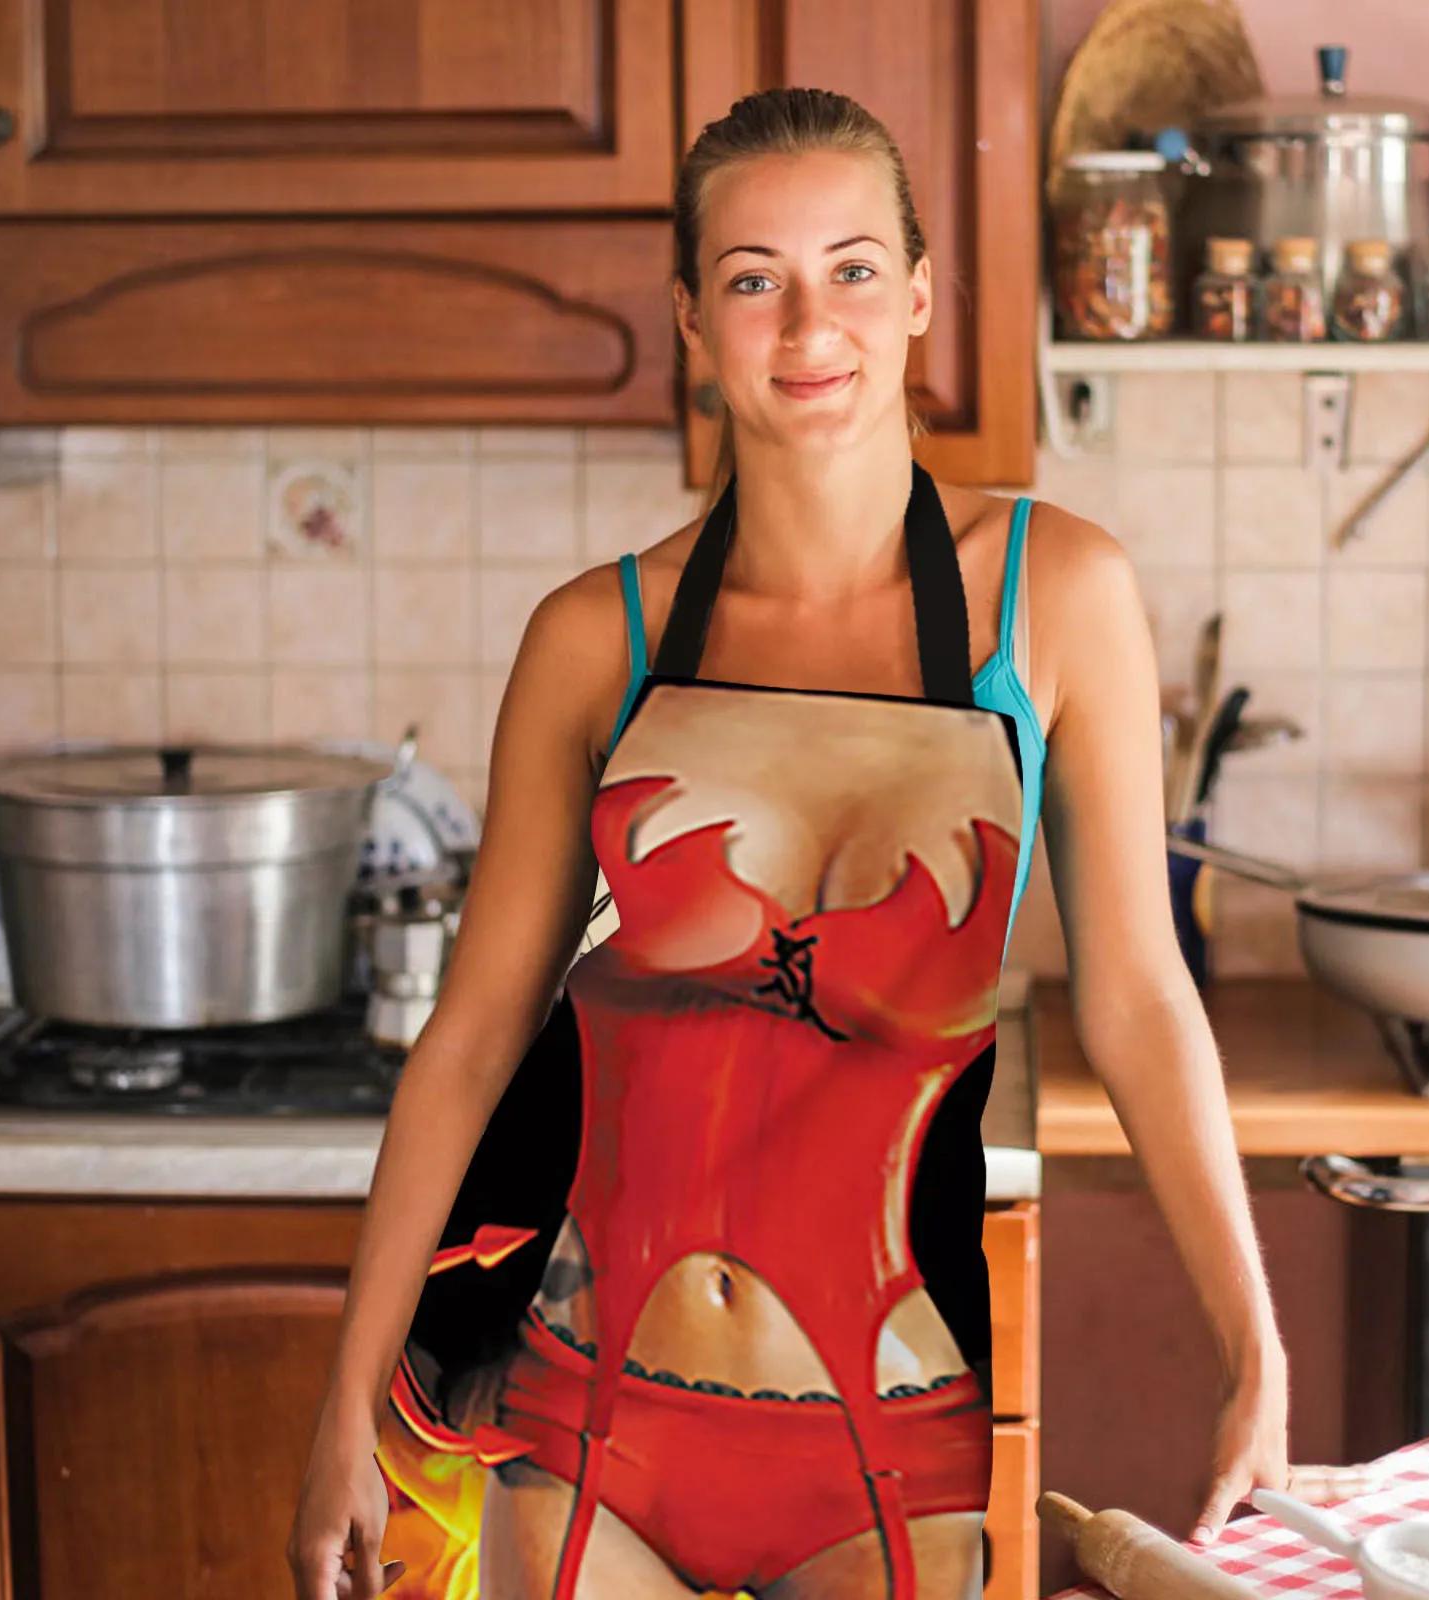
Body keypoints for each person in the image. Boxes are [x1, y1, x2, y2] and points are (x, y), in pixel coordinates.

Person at [287, 86, 1291, 1600]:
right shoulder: (596, 638)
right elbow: (475, 1034)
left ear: (922, 296)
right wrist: (342, 1408)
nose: (812, 324)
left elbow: (1142, 1000)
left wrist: (1252, 1352)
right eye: (756, 279)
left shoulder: (1057, 595)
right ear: (693, 319)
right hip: (586, 1411)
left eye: (853, 269)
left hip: (895, 1439)